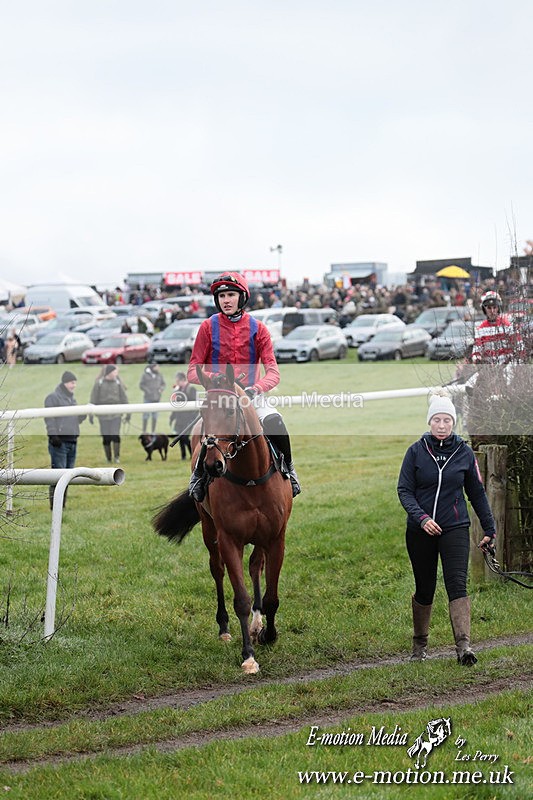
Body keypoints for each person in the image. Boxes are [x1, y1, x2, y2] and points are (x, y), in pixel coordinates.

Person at [397, 394, 496, 666]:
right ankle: (420, 647)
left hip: (455, 528)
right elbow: (404, 491)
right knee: (424, 587)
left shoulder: (463, 453)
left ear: (454, 422)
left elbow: (476, 492)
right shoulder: (415, 452)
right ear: (430, 421)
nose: (442, 425)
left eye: (447, 420)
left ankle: (464, 648)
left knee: (457, 584)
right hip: (420, 531)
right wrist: (422, 518)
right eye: (437, 420)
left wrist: (490, 528)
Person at [187, 272, 301, 500]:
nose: (226, 300)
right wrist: (214, 380)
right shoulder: (207, 327)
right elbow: (193, 371)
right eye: (221, 296)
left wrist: (256, 388)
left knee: (275, 421)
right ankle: (198, 477)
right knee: (205, 431)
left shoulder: (259, 328)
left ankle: (289, 468)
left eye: (230, 295)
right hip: (219, 398)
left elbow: (273, 372)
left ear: (242, 298)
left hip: (251, 396)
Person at [44, 371, 86, 509]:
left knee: (67, 476)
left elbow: (74, 420)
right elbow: (49, 418)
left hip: (72, 441)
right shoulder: (53, 398)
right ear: (65, 383)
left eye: (75, 383)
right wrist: (53, 435)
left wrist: (82, 415)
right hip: (59, 443)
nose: (74, 385)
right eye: (72, 382)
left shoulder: (71, 399)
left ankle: (61, 506)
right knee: (58, 476)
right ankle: (55, 506)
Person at [471, 290, 525, 365]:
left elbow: (520, 347)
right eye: (489, 308)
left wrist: (513, 362)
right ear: (484, 309)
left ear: (498, 308)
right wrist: (477, 359)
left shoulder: (508, 325)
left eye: (494, 307)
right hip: (489, 369)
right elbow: (476, 351)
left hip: (509, 367)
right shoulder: (480, 329)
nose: (492, 311)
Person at [89, 364, 129, 463]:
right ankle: (108, 458)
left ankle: (116, 457)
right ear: (109, 372)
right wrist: (90, 414)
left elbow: (124, 398)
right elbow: (93, 399)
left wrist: (128, 413)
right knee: (106, 437)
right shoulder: (99, 383)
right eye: (115, 371)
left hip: (116, 415)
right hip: (103, 416)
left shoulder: (118, 383)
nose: (116, 374)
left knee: (115, 435)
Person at [169, 371, 197, 460]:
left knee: (185, 437)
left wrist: (193, 419)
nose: (176, 383)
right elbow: (176, 405)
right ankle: (183, 456)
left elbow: (195, 405)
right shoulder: (178, 390)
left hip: (188, 419)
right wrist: (172, 417)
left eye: (178, 381)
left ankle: (193, 454)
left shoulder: (191, 389)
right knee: (180, 437)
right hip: (180, 419)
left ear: (182, 380)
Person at [139, 361, 166, 433]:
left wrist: (161, 389)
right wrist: (147, 391)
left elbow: (163, 384)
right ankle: (144, 431)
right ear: (153, 367)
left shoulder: (159, 375)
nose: (158, 368)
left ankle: (153, 431)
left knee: (155, 416)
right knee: (146, 415)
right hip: (147, 398)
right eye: (156, 366)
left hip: (157, 399)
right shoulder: (145, 375)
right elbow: (141, 385)